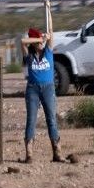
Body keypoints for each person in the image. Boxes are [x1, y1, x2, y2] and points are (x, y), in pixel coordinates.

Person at [21, 25, 65, 163]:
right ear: (33, 43)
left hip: (48, 88)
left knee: (51, 119)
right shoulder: (28, 55)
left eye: (42, 41)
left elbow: (51, 33)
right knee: (31, 120)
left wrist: (48, 8)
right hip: (32, 89)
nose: (42, 43)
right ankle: (29, 155)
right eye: (38, 42)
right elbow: (22, 41)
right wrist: (39, 38)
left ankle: (57, 153)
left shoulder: (48, 51)